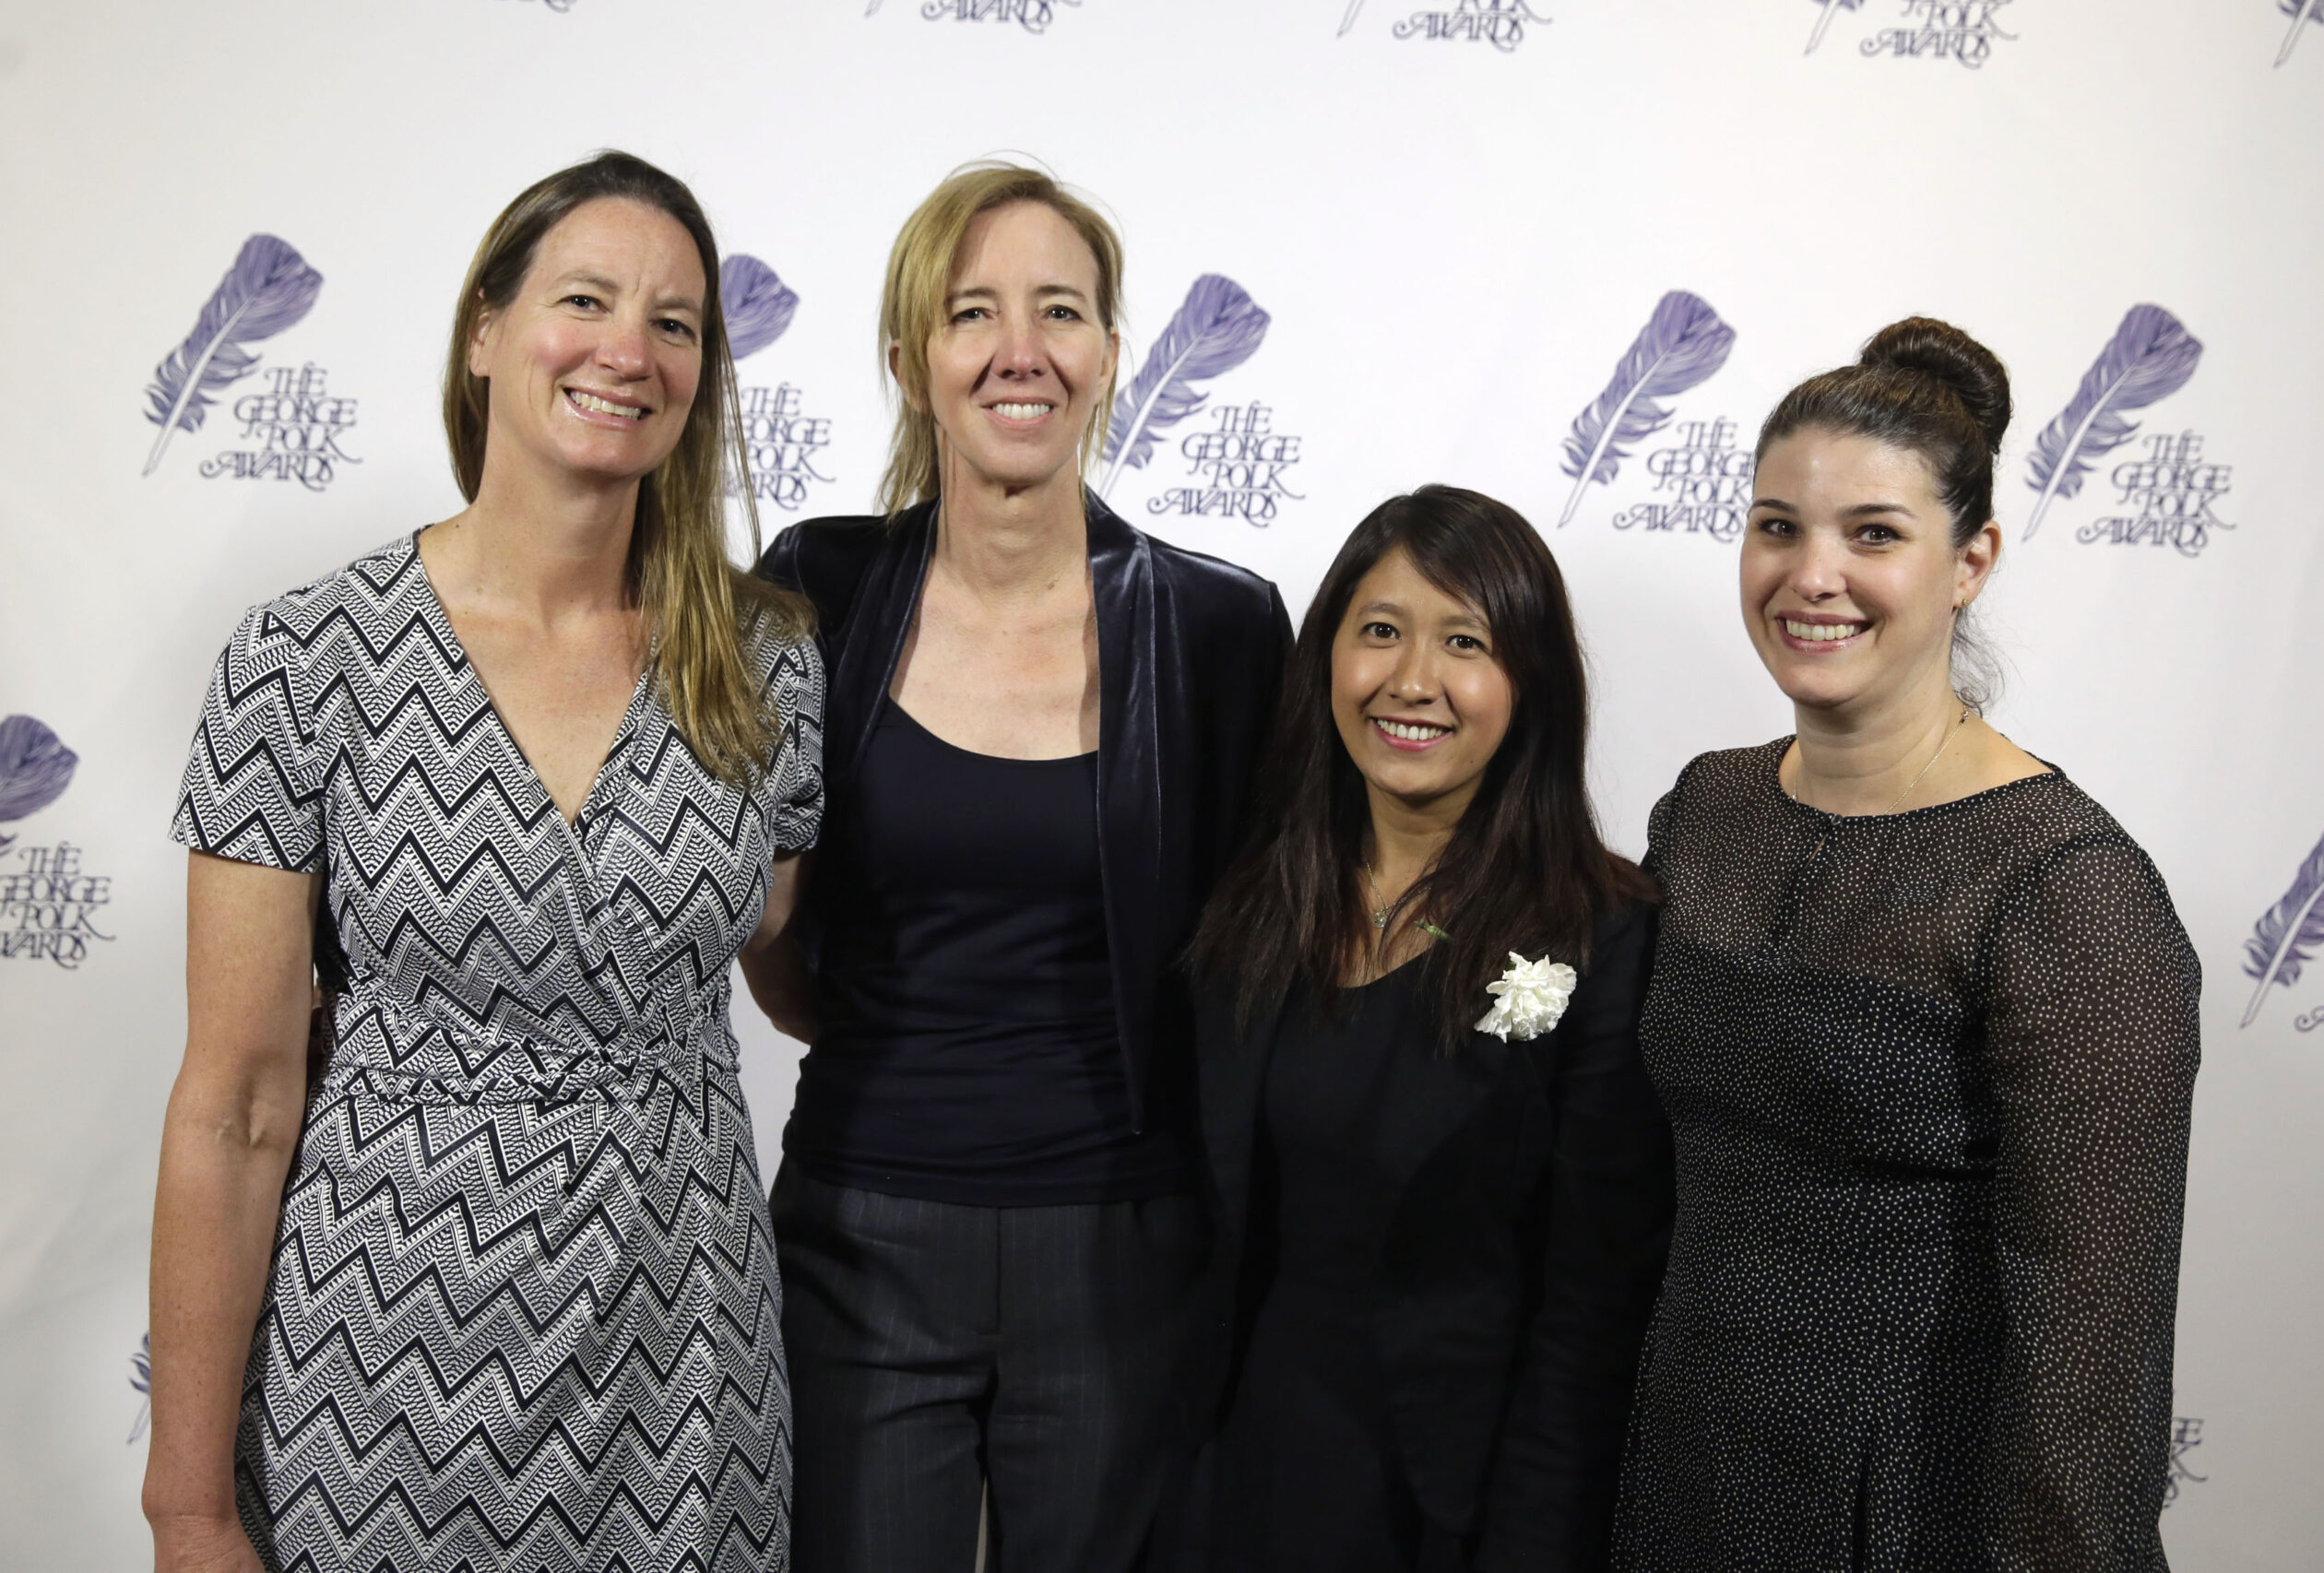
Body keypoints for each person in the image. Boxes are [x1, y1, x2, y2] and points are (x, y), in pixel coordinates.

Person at [145, 152, 820, 1573]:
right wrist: (189, 1502)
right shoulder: (305, 659)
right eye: (585, 298)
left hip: (686, 1382)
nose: (628, 349)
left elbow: (791, 955)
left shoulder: (766, 666)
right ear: (485, 331)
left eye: (677, 322)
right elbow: (236, 1103)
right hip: (379, 1374)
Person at [748, 162, 1290, 1573]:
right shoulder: (818, 587)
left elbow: (1285, 934)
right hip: (861, 1230)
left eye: (1060, 310)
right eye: (971, 311)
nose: (1019, 349)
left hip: (1125, 1246)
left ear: (1111, 353)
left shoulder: (1220, 627)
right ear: (909, 357)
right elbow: (763, 915)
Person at [1613, 319, 2200, 1570]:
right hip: (1681, 1474)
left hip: (1911, 1512)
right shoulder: (1706, 810)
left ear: (1970, 559)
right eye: (1777, 525)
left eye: (1872, 534)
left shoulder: (2067, 892)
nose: (1810, 575)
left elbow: (2090, 1365)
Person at [1172, 486, 1673, 1573]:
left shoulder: (1602, 935)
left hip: (1445, 1510)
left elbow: (1588, 1316)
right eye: (1381, 631)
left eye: (1465, 641)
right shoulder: (1249, 898)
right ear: (1328, 657)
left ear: (1528, 684)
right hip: (1222, 1477)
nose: (1413, 681)